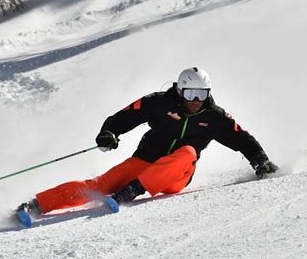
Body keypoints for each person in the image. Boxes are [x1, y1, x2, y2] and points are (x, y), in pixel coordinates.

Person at [16, 67, 278, 215]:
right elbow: (124, 116)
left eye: (201, 94)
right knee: (100, 184)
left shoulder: (214, 116)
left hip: (175, 177)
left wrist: (260, 161)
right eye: (190, 93)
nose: (196, 100)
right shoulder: (158, 103)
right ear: (179, 90)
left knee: (188, 151)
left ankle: (132, 191)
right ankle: (37, 204)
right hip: (144, 161)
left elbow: (241, 138)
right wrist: (109, 133)